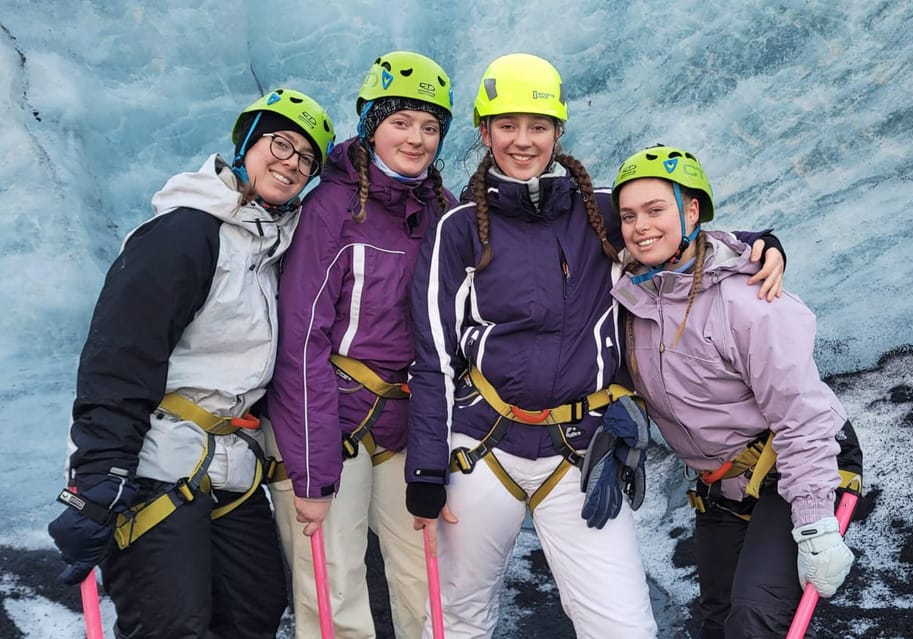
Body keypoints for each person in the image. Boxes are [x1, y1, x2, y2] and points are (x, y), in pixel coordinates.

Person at [402, 53, 788, 639]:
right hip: (483, 445)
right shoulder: (457, 229)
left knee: (623, 626)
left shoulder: (601, 210)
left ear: (559, 131)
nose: (523, 140)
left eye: (538, 126)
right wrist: (426, 472)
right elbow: (432, 357)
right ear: (484, 132)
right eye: (507, 125)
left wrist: (763, 243)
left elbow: (679, 236)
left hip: (579, 449)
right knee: (457, 620)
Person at [47, 88, 337, 638]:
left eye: (306, 158)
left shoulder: (271, 245)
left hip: (233, 464)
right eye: (281, 143)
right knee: (171, 626)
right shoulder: (185, 234)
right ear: (247, 143)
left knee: (254, 611)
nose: (292, 163)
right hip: (158, 465)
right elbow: (120, 356)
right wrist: (98, 475)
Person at [609, 144, 863, 638]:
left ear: (691, 211)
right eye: (628, 215)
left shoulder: (749, 300)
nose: (640, 226)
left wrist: (814, 525)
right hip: (721, 483)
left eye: (656, 210)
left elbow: (802, 415)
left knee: (755, 620)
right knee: (716, 622)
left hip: (797, 462)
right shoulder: (631, 297)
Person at [265, 51, 457, 639]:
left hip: (410, 427)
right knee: (334, 591)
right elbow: (301, 342)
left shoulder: (444, 213)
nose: (417, 138)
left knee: (432, 588)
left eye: (430, 127)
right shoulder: (331, 207)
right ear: (371, 124)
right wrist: (310, 474)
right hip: (327, 425)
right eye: (401, 121)